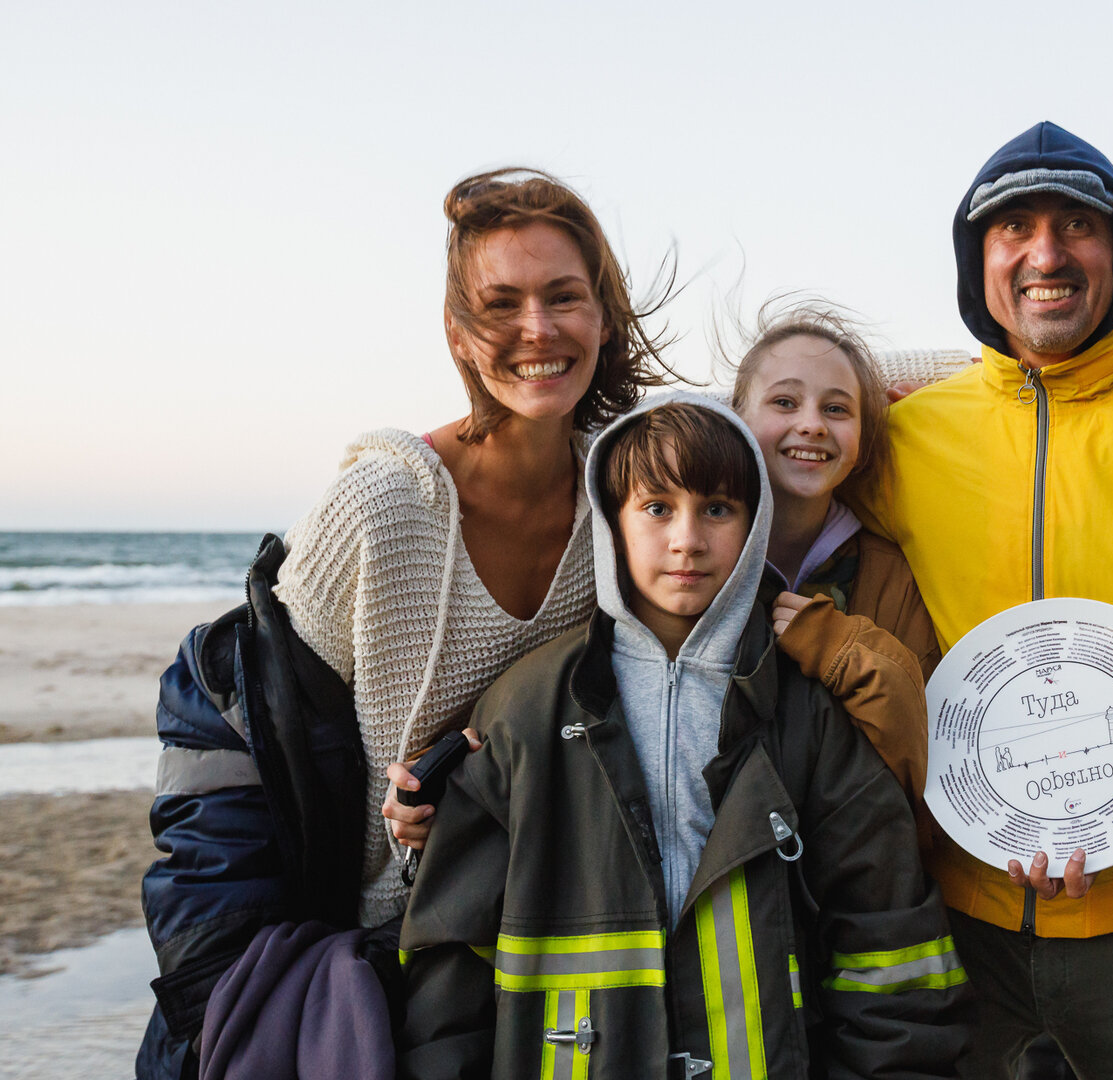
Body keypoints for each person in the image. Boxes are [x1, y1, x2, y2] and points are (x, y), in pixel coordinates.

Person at [139, 168, 671, 1076]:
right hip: (336, 957)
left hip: (502, 941)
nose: (536, 330)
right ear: (459, 336)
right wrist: (218, 973)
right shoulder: (385, 504)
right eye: (500, 304)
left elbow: (787, 400)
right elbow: (224, 709)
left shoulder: (619, 499)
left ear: (604, 317)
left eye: (564, 298)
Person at [850, 121, 1113, 1079]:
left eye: (1077, 225)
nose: (1045, 253)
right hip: (953, 908)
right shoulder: (904, 440)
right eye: (1012, 228)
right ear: (978, 262)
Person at [396, 396, 968, 1079]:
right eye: (657, 507)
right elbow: (449, 958)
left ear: (755, 526)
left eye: (718, 509)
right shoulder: (523, 708)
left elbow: (890, 941)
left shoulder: (809, 712)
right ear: (611, 524)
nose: (687, 540)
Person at [729, 305, 940, 801]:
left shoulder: (889, 575)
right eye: (784, 401)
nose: (812, 425)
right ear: (734, 418)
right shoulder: (694, 558)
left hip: (857, 857)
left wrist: (840, 647)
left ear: (864, 439)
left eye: (837, 409)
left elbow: (926, 753)